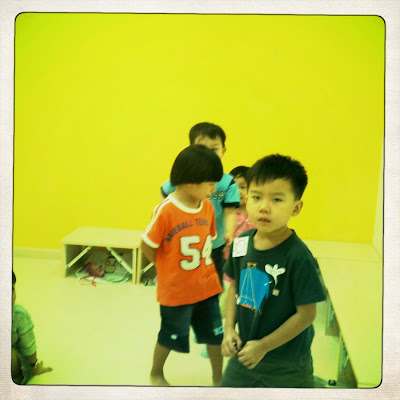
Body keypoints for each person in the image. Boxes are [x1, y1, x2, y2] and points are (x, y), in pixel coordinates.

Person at [220, 154, 326, 388]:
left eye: (277, 199)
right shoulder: (241, 243)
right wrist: (228, 330)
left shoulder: (299, 257)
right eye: (256, 197)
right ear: (247, 199)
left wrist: (264, 346)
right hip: (245, 352)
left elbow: (307, 315)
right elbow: (235, 287)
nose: (264, 207)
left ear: (296, 208)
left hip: (286, 363)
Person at [141, 144, 225, 387]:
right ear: (190, 181)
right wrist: (164, 268)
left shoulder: (207, 207)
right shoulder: (166, 211)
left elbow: (209, 241)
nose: (213, 189)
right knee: (170, 335)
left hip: (207, 287)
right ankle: (156, 372)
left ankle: (219, 378)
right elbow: (147, 244)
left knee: (215, 335)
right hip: (176, 292)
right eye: (210, 184)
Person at [161, 122, 240, 286]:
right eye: (202, 148)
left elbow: (230, 211)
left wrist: (229, 232)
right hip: (186, 241)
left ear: (223, 151)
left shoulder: (227, 183)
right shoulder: (184, 178)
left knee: (214, 283)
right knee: (186, 282)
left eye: (214, 149)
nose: (208, 154)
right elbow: (165, 193)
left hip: (214, 244)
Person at [12, 271, 53, 384]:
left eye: (11, 289)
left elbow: (28, 347)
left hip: (17, 365)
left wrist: (34, 366)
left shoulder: (19, 316)